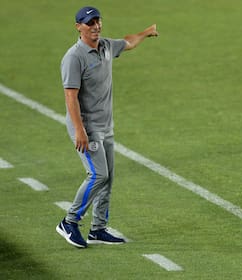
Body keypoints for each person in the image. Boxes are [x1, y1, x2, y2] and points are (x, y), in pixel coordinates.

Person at [56, 6, 158, 248]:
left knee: (108, 178)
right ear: (78, 27)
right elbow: (70, 97)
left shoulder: (106, 46)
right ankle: (69, 221)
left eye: (98, 21)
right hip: (86, 128)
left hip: (105, 125)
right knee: (98, 174)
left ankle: (98, 228)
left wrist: (145, 32)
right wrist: (80, 130)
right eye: (90, 23)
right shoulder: (74, 57)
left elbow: (128, 42)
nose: (96, 26)